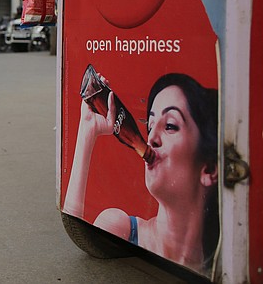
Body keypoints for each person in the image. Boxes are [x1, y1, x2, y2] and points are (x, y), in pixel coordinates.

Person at [63, 73, 219, 273]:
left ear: (210, 168)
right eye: (150, 125)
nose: (151, 137)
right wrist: (87, 131)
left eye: (170, 126)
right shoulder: (120, 229)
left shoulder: (225, 264)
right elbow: (77, 231)